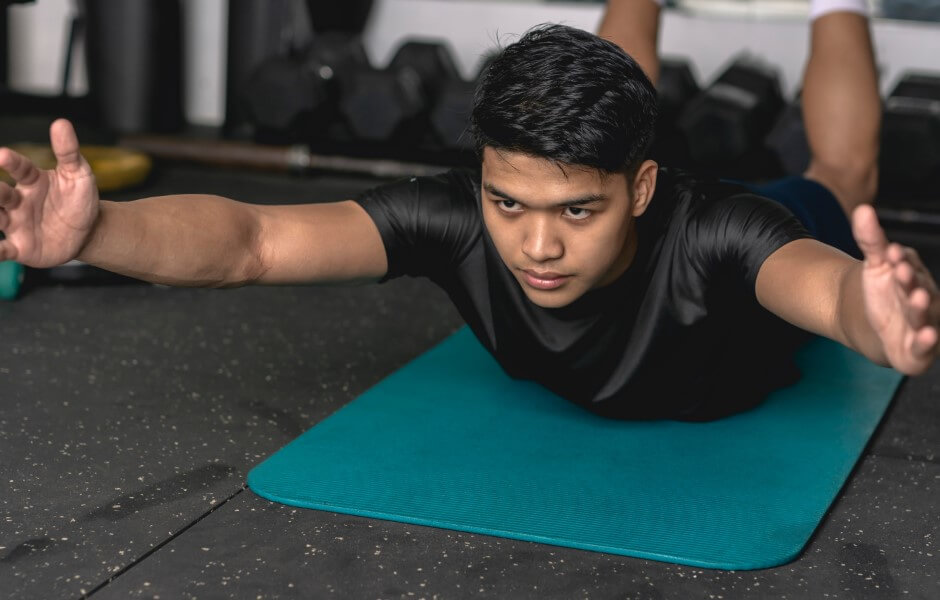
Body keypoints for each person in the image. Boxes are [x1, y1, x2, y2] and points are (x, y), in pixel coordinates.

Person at [0, 2, 936, 420]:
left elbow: (824, 287)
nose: (535, 245)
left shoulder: (717, 231)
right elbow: (256, 240)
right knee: (615, 97)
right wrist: (99, 232)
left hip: (744, 249)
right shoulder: (457, 215)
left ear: (642, 190)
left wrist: (872, 319)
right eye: (508, 201)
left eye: (577, 211)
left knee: (843, 171)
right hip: (620, 174)